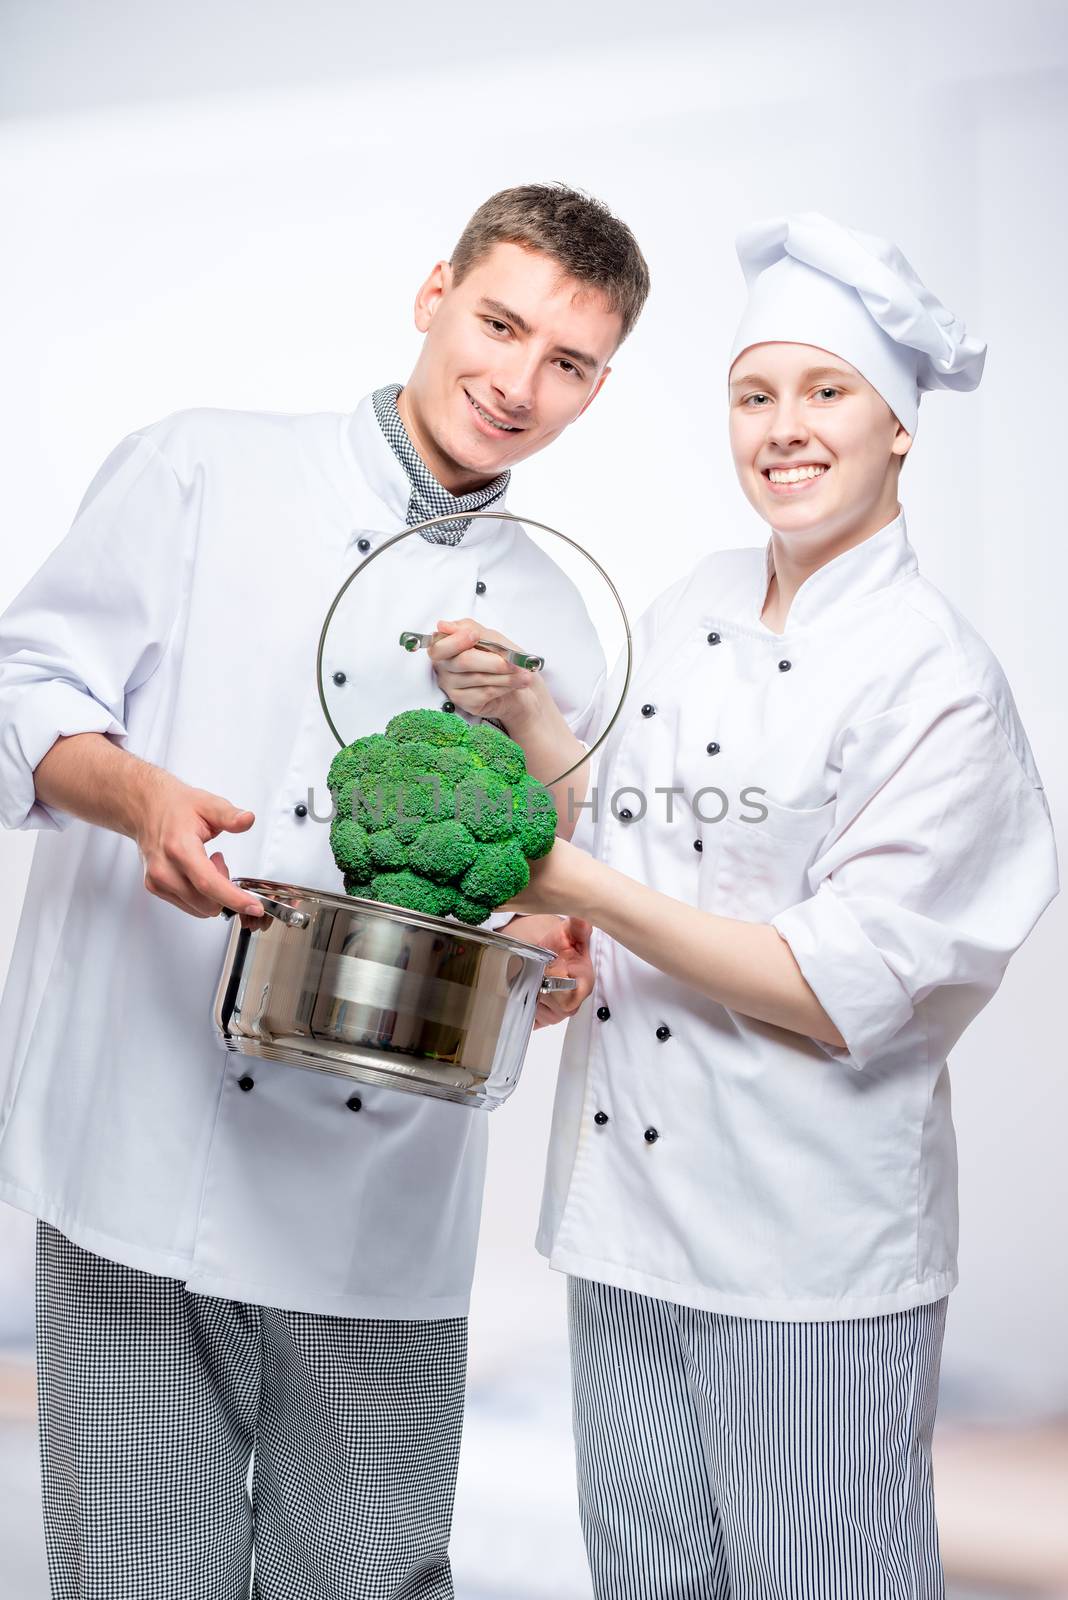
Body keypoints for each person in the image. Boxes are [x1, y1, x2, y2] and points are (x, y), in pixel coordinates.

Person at [0, 182, 649, 1600]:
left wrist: (545, 958)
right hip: (139, 1142)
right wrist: (140, 799)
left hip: (377, 1191)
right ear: (434, 292)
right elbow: (24, 688)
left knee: (370, 1576)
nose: (517, 382)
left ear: (602, 386)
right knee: (132, 1579)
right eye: (498, 323)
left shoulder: (561, 620)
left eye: (570, 363)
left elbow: (552, 896)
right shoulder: (204, 470)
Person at [441, 212, 1060, 1598]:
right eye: (755, 394)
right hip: (624, 1222)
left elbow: (839, 990)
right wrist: (536, 713)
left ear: (898, 425)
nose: (784, 429)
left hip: (807, 1246)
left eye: (827, 392)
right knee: (648, 1581)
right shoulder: (692, 605)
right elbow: (631, 839)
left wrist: (581, 882)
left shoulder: (939, 683)